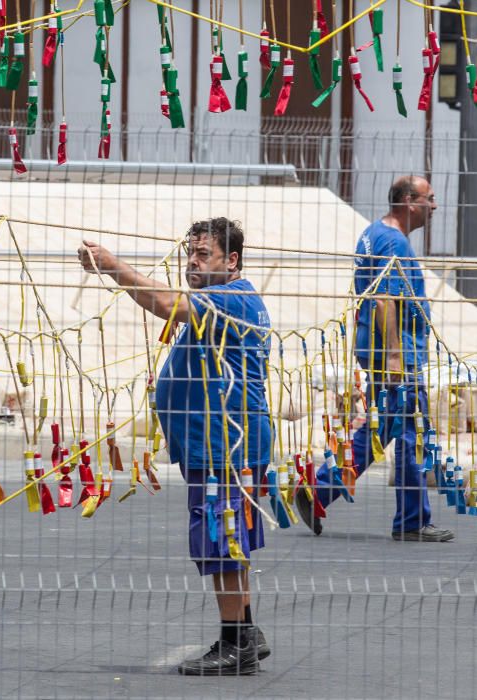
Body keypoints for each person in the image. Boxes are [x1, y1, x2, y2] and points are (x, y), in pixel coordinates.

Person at [78, 217, 272, 675]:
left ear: (232, 261)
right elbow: (163, 304)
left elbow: (164, 302)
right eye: (191, 253)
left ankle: (235, 642)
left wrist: (110, 265)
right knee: (230, 540)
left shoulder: (231, 298)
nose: (191, 261)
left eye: (203, 254)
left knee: (222, 539)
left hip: (226, 445)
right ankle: (243, 631)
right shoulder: (217, 299)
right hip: (218, 444)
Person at [296, 175, 455, 542]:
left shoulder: (374, 233)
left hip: (381, 352)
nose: (434, 206)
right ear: (408, 200)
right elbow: (385, 300)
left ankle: (318, 491)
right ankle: (411, 521)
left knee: (385, 429)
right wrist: (397, 357)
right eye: (429, 198)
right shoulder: (392, 242)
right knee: (412, 431)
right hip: (394, 357)